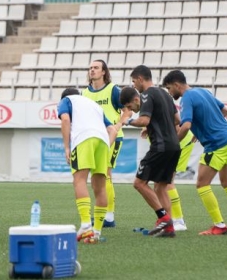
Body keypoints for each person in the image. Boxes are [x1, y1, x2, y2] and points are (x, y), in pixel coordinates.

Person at [162, 70, 227, 235]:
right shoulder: (202, 91)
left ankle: (219, 225)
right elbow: (225, 111)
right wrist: (201, 129)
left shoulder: (186, 98)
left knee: (202, 184)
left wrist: (173, 144)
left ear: (176, 85)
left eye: (169, 88)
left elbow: (185, 125)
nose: (169, 92)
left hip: (217, 144)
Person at [117, 65, 181, 238]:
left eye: (133, 81)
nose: (134, 85)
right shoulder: (166, 95)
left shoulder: (146, 95)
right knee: (160, 187)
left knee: (139, 183)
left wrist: (127, 121)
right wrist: (152, 127)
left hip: (160, 146)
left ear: (139, 79)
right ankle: (169, 227)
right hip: (174, 146)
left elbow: (144, 119)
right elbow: (177, 120)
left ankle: (163, 218)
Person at [58, 88, 118, 244]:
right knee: (100, 187)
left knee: (79, 181)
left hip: (83, 139)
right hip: (103, 141)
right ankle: (96, 231)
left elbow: (65, 120)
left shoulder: (66, 101)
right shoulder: (94, 105)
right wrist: (106, 144)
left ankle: (85, 225)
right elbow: (112, 129)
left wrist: (66, 147)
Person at [81, 59, 122, 228]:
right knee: (98, 176)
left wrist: (118, 124)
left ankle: (109, 216)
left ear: (104, 71)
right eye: (90, 67)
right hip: (94, 138)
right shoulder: (84, 93)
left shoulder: (113, 90)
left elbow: (128, 108)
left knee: (106, 173)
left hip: (112, 137)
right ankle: (105, 214)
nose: (92, 70)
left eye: (96, 68)